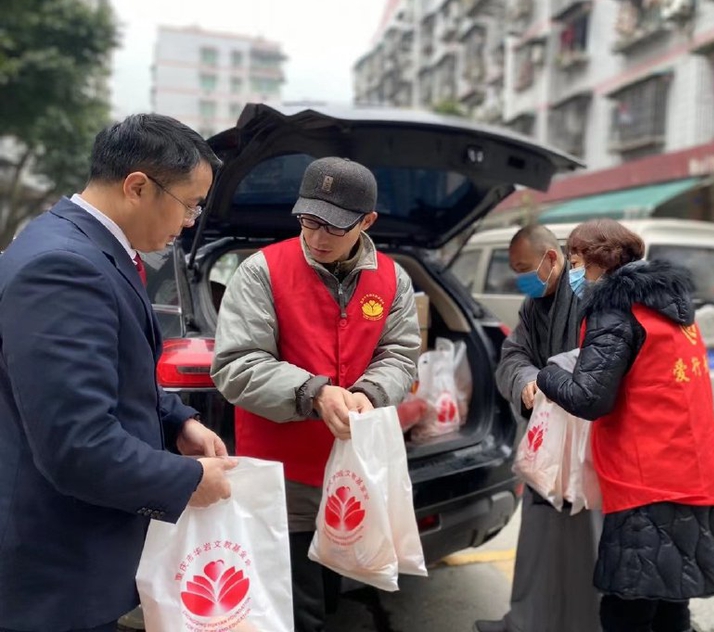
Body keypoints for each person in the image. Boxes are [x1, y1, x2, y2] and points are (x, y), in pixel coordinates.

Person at [0, 115, 236, 632]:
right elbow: (76, 444)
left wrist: (178, 422)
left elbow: (116, 368)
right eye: (191, 203)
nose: (192, 221)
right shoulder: (62, 267)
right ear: (138, 187)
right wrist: (187, 479)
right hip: (56, 571)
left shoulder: (86, 247)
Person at [211, 156, 420, 632]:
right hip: (281, 475)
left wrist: (370, 391)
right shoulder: (260, 271)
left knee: (335, 591)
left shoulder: (393, 279)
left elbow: (401, 355)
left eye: (334, 227)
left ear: (367, 222)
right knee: (291, 606)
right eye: (308, 221)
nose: (318, 238)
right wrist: (314, 393)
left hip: (355, 471)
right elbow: (236, 364)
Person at [537, 219, 714, 632]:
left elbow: (589, 396)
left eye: (576, 261)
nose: (573, 272)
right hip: (695, 473)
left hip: (647, 482)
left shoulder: (614, 310)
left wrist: (546, 375)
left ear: (599, 263)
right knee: (671, 599)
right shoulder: (673, 308)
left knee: (627, 610)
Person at [474, 224, 601, 632]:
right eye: (514, 271)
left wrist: (549, 378)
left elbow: (602, 360)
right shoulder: (534, 307)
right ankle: (529, 622)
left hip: (587, 444)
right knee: (539, 541)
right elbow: (512, 356)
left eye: (524, 268)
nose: (521, 280)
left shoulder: (590, 296)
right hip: (546, 441)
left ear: (551, 259)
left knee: (587, 547)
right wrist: (526, 380)